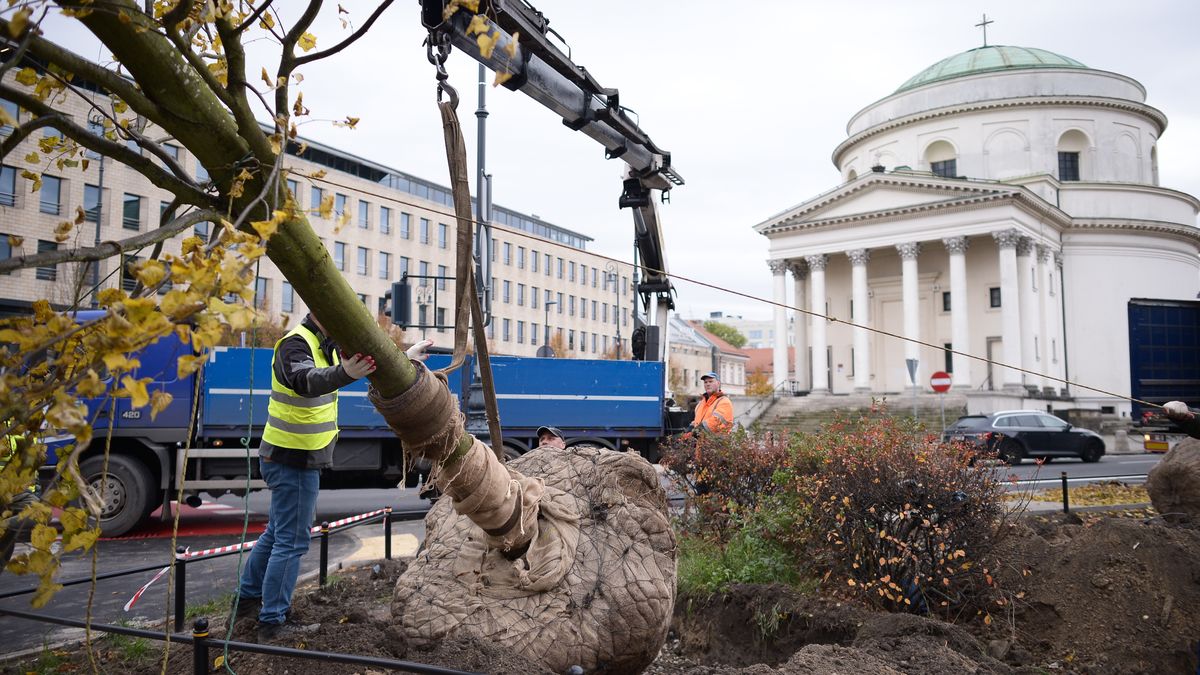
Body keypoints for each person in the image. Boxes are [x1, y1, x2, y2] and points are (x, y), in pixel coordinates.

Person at [235, 315, 400, 641]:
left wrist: (406, 358)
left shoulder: (323, 345)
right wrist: (345, 373)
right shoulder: (296, 344)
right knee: (291, 541)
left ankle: (248, 602)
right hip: (293, 459)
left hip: (291, 457)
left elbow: (358, 365)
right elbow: (306, 381)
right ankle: (273, 621)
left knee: (276, 534)